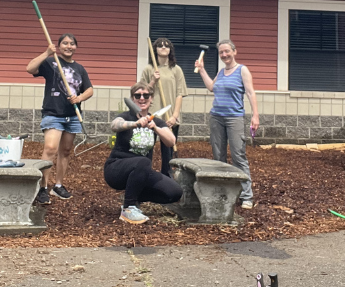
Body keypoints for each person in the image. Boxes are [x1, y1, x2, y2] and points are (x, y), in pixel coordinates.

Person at [25, 33, 93, 204]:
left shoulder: (80, 68)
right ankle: (42, 187)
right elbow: (30, 69)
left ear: (76, 47)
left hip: (72, 116)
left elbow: (89, 90)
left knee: (66, 151)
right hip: (53, 113)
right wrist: (46, 52)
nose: (68, 46)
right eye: (65, 43)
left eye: (72, 43)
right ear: (59, 46)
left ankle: (58, 185)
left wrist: (79, 98)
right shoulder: (51, 62)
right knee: (50, 148)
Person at [104, 82, 182, 224]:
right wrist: (136, 123)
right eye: (137, 95)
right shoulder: (126, 116)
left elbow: (171, 141)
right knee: (144, 161)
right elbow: (115, 125)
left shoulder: (156, 121)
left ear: (151, 99)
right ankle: (128, 209)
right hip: (116, 169)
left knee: (174, 192)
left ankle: (133, 197)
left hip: (141, 171)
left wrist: (155, 128)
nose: (142, 98)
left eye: (146, 95)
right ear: (132, 98)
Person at [195, 39, 259, 209]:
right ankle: (222, 193)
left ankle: (246, 196)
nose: (224, 55)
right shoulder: (221, 72)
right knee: (219, 157)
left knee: (238, 156)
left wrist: (255, 116)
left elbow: (251, 93)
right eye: (221, 52)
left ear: (234, 51)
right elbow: (211, 88)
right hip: (216, 117)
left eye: (227, 51)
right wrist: (201, 70)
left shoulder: (242, 70)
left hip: (234, 118)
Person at [139, 37, 187, 177]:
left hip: (170, 116)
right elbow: (142, 93)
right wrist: (153, 81)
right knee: (148, 148)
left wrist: (174, 116)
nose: (164, 47)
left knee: (168, 150)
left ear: (171, 49)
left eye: (167, 45)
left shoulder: (176, 70)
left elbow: (180, 94)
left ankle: (167, 177)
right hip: (152, 115)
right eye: (160, 45)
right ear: (155, 50)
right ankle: (145, 176)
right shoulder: (149, 69)